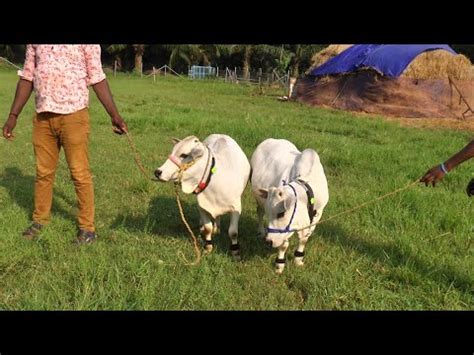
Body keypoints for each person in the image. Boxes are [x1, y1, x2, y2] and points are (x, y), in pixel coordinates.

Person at [2, 45, 128, 243]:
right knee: (43, 172)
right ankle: (39, 220)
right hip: (43, 117)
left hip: (74, 115)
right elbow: (27, 77)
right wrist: (13, 116)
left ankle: (87, 228)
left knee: (79, 173)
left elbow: (97, 77)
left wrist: (114, 115)